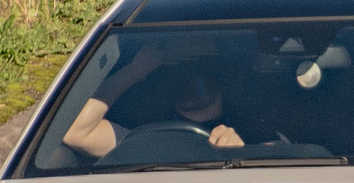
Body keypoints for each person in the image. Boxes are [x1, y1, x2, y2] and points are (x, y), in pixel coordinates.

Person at [61, 43, 246, 160]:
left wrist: (239, 155)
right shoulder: (144, 142)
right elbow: (74, 131)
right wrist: (135, 69)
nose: (197, 92)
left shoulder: (256, 139)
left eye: (201, 102)